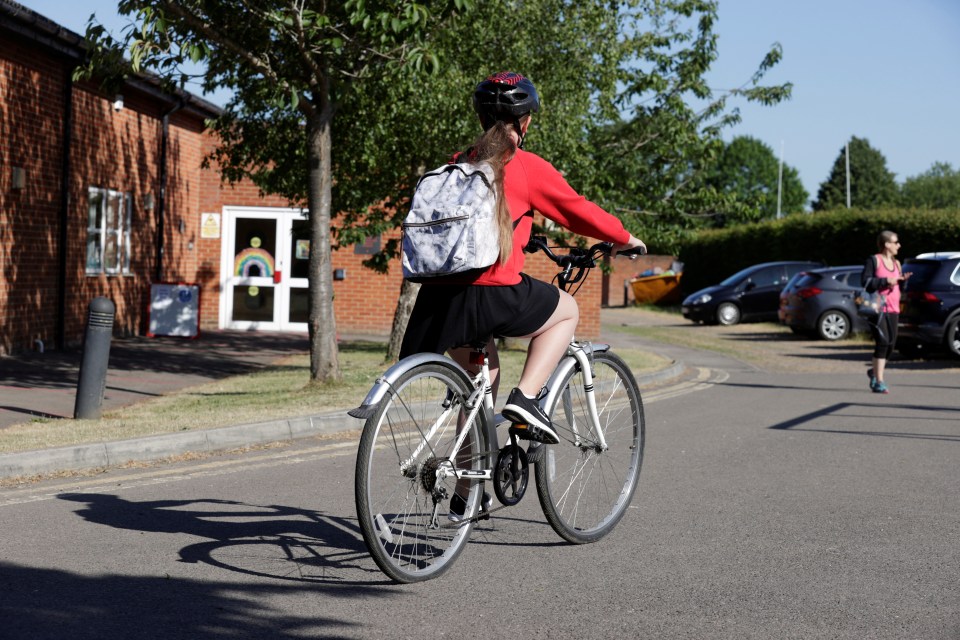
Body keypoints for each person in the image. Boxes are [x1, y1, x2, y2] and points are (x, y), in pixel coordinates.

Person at [400, 71, 646, 446]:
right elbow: (577, 210)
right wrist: (625, 238)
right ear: (525, 120)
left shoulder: (458, 162)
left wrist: (523, 236)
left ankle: (467, 501)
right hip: (491, 293)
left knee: (481, 389)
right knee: (566, 310)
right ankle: (528, 399)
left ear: (481, 118)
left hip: (439, 299)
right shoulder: (524, 165)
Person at [861, 230, 910, 393]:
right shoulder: (874, 260)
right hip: (877, 308)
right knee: (882, 342)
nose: (899, 245)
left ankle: (874, 371)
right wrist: (885, 281)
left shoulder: (897, 263)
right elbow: (866, 282)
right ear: (887, 244)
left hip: (894, 308)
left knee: (891, 344)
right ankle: (878, 381)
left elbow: (898, 286)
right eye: (896, 242)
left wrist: (903, 281)